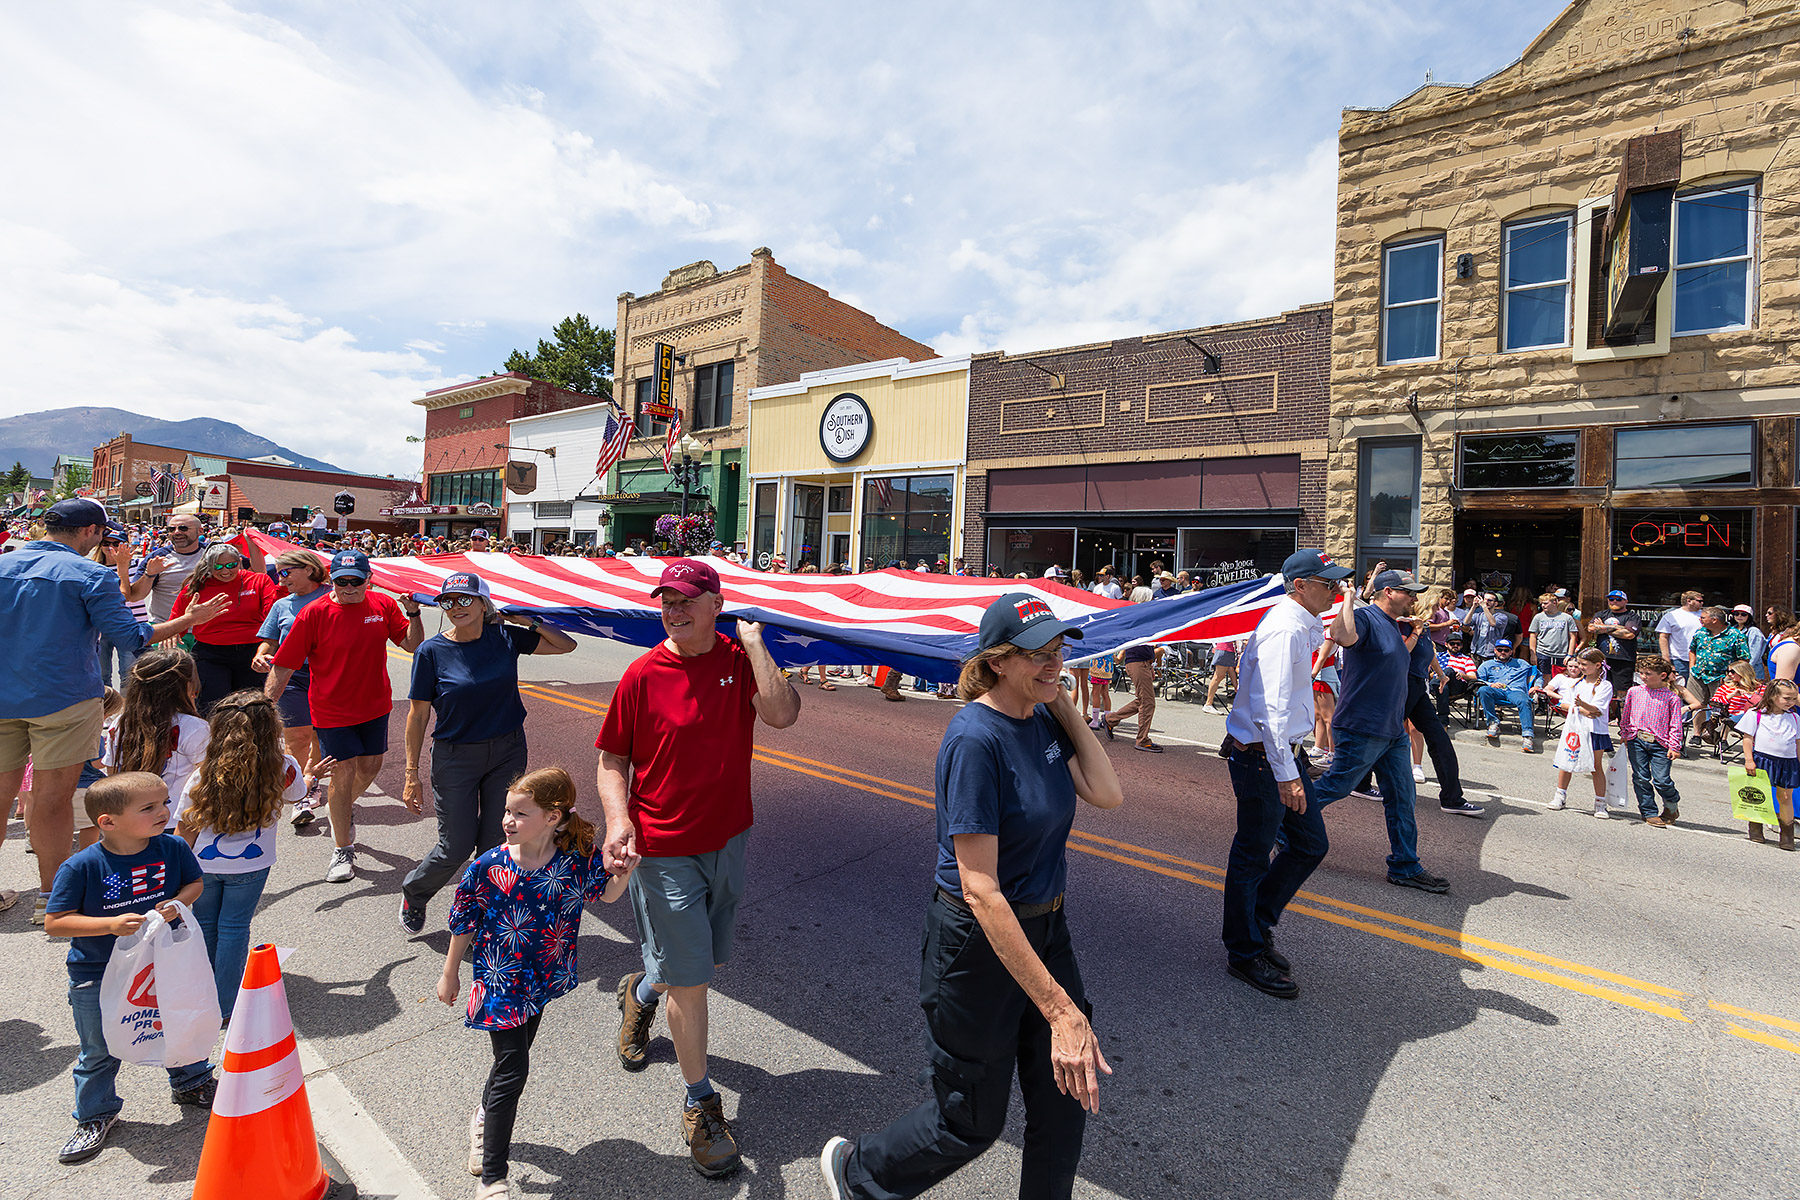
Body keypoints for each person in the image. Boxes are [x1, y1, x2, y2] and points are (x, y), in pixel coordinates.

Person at [819, 592, 1123, 1199]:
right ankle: (860, 1173)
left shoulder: (1041, 720)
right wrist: (1062, 1010)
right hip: (977, 945)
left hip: (1044, 929)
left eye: (1058, 650)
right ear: (998, 661)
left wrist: (1060, 702)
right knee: (969, 1123)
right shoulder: (974, 740)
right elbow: (980, 889)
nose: (1052, 663)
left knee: (1067, 1103)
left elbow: (1106, 792)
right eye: (1038, 654)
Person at [597, 558, 800, 1177]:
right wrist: (617, 820)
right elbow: (611, 760)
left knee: (699, 962)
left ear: (716, 604)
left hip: (728, 838)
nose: (674, 609)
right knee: (695, 980)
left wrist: (757, 642)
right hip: (661, 849)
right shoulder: (642, 673)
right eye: (666, 600)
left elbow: (783, 714)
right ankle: (700, 1102)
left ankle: (641, 988)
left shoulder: (740, 664)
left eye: (687, 599)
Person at [0, 499, 225, 920]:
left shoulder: (4, 563)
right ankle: (53, 897)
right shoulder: (90, 573)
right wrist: (187, 621)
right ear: (90, 532)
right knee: (52, 800)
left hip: (3, 695)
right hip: (63, 698)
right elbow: (132, 635)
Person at [439, 768, 635, 1198]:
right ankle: (493, 1177)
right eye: (507, 811)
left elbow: (605, 894)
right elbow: (463, 921)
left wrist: (624, 872)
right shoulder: (488, 865)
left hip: (542, 976)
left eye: (520, 813)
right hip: (499, 979)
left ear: (553, 817)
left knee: (514, 1057)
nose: (508, 820)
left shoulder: (573, 861)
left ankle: (484, 1116)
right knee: (514, 1069)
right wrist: (450, 970)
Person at [44, 772, 213, 1165]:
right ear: (108, 821)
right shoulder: (81, 866)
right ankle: (95, 1115)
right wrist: (109, 925)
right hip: (96, 973)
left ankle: (192, 1081)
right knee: (99, 1049)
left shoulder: (171, 847)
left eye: (165, 802)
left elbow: (195, 884)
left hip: (163, 963)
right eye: (150, 808)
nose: (165, 812)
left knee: (178, 1023)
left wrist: (178, 903)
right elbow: (56, 921)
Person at [399, 571, 576, 933]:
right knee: (455, 846)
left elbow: (566, 646)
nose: (456, 607)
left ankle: (481, 907)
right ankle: (415, 893)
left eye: (466, 599)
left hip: (508, 750)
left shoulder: (504, 637)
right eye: (448, 601)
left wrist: (530, 621)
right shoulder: (431, 651)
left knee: (498, 838)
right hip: (455, 756)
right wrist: (410, 773)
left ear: (484, 604)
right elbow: (417, 715)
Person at [1217, 550, 1354, 1000]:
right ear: (1300, 585)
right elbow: (1272, 709)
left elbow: (1340, 637)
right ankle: (1244, 950)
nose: (1334, 589)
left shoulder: (1300, 623)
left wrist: (1293, 762)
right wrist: (1286, 773)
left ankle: (1257, 923)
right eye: (1327, 582)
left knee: (1310, 844)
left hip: (1279, 756)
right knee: (1253, 854)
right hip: (1264, 757)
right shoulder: (1284, 629)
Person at [263, 549, 424, 883]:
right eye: (341, 581)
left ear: (369, 579)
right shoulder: (313, 613)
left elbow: (411, 645)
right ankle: (342, 848)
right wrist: (263, 711)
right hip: (331, 709)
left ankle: (340, 810)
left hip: (375, 706)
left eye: (356, 581)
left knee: (370, 767)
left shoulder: (383, 605)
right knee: (344, 772)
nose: (349, 587)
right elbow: (284, 666)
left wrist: (414, 614)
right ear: (331, 580)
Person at [1314, 568, 1450, 892]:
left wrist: (1416, 634)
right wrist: (1348, 597)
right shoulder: (1365, 618)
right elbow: (1341, 636)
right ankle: (1280, 824)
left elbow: (1397, 659)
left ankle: (1405, 865)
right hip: (1362, 726)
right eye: (1409, 592)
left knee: (1403, 797)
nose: (1414, 598)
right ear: (1388, 592)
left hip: (1392, 731)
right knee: (1335, 786)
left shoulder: (1393, 625)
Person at [174, 690, 306, 1021]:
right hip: (252, 864)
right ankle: (226, 1004)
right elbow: (297, 795)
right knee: (234, 927)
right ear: (271, 728)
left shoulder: (204, 773)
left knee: (205, 925)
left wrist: (177, 869)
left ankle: (203, 995)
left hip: (203, 863)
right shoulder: (283, 767)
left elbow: (186, 827)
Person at [254, 549, 331, 824]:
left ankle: (312, 782)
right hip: (292, 676)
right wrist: (261, 653)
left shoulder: (334, 595)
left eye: (285, 572)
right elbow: (270, 639)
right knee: (297, 736)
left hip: (330, 676)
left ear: (308, 569)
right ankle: (298, 792)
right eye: (277, 573)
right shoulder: (282, 605)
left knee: (320, 737)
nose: (280, 578)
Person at [107, 648, 210, 828]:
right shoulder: (194, 727)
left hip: (132, 820)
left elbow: (113, 776)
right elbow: (205, 780)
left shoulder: (120, 723)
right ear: (186, 685)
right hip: (177, 822)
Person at [170, 543, 278, 714]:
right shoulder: (197, 586)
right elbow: (178, 620)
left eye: (231, 565)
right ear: (208, 566)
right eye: (218, 567)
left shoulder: (258, 580)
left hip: (252, 652)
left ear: (240, 562)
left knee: (252, 709)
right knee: (213, 709)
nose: (225, 571)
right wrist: (173, 637)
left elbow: (273, 615)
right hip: (211, 654)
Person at [1620, 655, 1700, 828]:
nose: (1643, 677)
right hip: (1637, 739)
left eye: (1648, 673)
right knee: (1641, 777)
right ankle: (1648, 812)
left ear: (1663, 675)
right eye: (1641, 673)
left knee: (1662, 779)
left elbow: (1675, 724)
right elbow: (1626, 714)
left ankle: (1671, 804)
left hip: (1660, 744)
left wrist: (1675, 746)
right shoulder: (1634, 692)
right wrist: (1625, 733)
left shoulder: (1671, 697)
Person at [1549, 648, 1614, 815]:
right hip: (1575, 729)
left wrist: (1582, 705)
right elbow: (1563, 703)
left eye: (1585, 664)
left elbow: (1597, 710)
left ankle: (1600, 803)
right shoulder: (1575, 683)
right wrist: (1580, 708)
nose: (1581, 667)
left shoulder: (1605, 685)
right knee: (1567, 762)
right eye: (1580, 664)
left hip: (1595, 730)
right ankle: (1560, 796)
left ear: (1598, 665)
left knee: (1595, 766)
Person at [125, 514, 209, 622]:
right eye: (171, 529)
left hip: (207, 630)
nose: (177, 532)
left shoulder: (214, 554)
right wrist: (149, 575)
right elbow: (135, 596)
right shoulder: (157, 558)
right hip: (166, 629)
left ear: (200, 531)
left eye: (183, 528)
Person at [1465, 638, 1539, 751]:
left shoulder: (1521, 663)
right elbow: (1478, 680)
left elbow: (1538, 674)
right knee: (1483, 690)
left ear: (1511, 652)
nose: (1503, 652)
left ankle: (1527, 736)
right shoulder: (1487, 665)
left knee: (1525, 700)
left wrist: (1537, 686)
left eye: (1506, 650)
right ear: (1495, 650)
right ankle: (1493, 723)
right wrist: (1491, 684)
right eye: (1500, 650)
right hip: (1496, 691)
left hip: (1516, 691)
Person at [1096, 633, 1163, 751]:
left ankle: (1110, 719)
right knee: (1147, 702)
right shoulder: (1140, 620)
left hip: (1143, 662)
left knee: (1143, 701)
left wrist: (1151, 665)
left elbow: (1148, 644)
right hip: (1138, 662)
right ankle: (1142, 740)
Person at [1688, 605, 1751, 713]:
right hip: (1698, 675)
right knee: (1697, 705)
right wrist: (1692, 667)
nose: (1700, 619)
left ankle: (1716, 730)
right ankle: (1698, 730)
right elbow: (1692, 650)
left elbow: (1744, 659)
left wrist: (1732, 675)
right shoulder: (1700, 632)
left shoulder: (1736, 635)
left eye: (1703, 617)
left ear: (1714, 620)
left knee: (1720, 707)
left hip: (1721, 678)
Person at [1589, 590, 1642, 700]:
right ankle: (1605, 715)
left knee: (1622, 692)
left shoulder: (1632, 616)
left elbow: (1629, 635)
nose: (1614, 602)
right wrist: (1618, 627)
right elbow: (1591, 628)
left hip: (1624, 659)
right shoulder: (1601, 614)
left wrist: (1603, 627)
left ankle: (1620, 716)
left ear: (1625, 601)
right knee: (1601, 689)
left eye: (1618, 599)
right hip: (1603, 659)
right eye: (1611, 599)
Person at [1656, 591, 1706, 684]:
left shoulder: (1705, 616)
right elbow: (1663, 637)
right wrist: (1666, 660)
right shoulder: (1672, 615)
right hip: (1679, 659)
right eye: (1699, 601)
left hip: (1701, 658)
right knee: (1680, 688)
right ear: (1689, 601)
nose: (1702, 603)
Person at [1528, 593, 1578, 682]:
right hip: (1543, 652)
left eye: (1546, 603)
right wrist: (1533, 654)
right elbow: (1533, 635)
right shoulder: (1538, 617)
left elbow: (1573, 637)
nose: (1543, 605)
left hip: (1562, 653)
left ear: (1554, 602)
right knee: (1544, 676)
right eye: (1542, 603)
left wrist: (1570, 654)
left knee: (1563, 676)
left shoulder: (1566, 618)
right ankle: (1546, 694)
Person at [1203, 639, 1238, 714]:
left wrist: (1235, 685)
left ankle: (1209, 704)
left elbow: (1231, 669)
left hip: (1229, 649)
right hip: (1224, 649)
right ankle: (1208, 704)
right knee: (1218, 676)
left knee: (1221, 675)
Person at [1733, 605, 1767, 680]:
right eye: (1736, 613)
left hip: (1752, 672)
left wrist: (1745, 671)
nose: (1739, 616)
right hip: (1735, 671)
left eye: (1743, 614)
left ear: (1749, 616)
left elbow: (1755, 654)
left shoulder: (1753, 631)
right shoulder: (1732, 629)